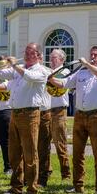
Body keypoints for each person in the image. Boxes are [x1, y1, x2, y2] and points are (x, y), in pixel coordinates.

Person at [0, 43, 47, 194]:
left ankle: (32, 188)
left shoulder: (41, 71)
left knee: (30, 153)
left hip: (30, 114)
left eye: (30, 52)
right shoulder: (18, 70)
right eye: (26, 51)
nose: (26, 54)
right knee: (14, 152)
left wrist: (15, 65)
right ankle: (16, 186)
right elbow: (0, 75)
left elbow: (28, 76)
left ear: (39, 55)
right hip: (16, 113)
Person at [49, 46, 97, 194]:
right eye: (91, 54)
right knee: (77, 152)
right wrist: (51, 79)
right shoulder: (81, 72)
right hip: (80, 115)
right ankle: (78, 186)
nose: (93, 57)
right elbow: (65, 83)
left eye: (96, 55)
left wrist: (87, 64)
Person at [49, 49, 71, 180]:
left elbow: (58, 81)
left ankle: (66, 173)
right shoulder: (49, 71)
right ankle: (46, 170)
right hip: (47, 110)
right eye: (51, 57)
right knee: (44, 142)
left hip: (58, 110)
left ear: (62, 60)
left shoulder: (65, 71)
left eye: (54, 58)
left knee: (60, 143)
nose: (51, 60)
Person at [38, 58, 52, 187]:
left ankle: (43, 177)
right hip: (29, 112)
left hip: (43, 112)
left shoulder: (48, 72)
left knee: (43, 147)